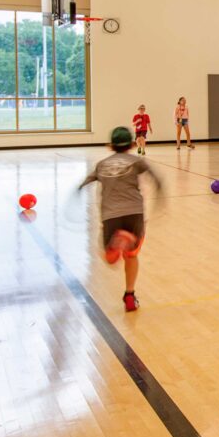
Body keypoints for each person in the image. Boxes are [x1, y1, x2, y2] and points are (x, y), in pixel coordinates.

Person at [78, 126, 162, 312]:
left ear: (110, 146)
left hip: (111, 214)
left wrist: (77, 192)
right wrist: (160, 199)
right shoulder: (137, 161)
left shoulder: (101, 164)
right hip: (135, 212)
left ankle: (115, 246)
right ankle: (129, 295)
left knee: (109, 258)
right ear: (132, 144)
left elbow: (86, 182)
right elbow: (157, 179)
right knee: (132, 255)